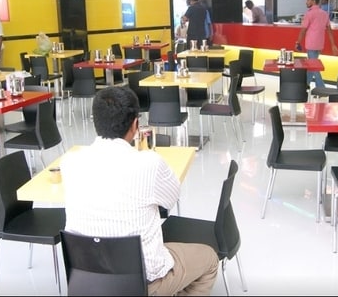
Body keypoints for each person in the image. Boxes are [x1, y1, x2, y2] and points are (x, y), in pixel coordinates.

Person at [60, 86, 219, 296]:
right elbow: (170, 200)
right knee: (209, 259)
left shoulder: (69, 161)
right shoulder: (149, 163)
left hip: (87, 279)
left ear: (95, 121)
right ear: (136, 124)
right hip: (142, 283)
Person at [296, 0, 338, 88]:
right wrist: (333, 44)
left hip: (311, 44)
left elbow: (303, 30)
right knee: (312, 65)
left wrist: (298, 42)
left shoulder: (309, 13)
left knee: (314, 67)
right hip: (319, 44)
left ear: (313, 1)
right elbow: (329, 30)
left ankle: (321, 88)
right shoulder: (324, 13)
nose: (306, 2)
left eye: (308, 0)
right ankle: (305, 85)